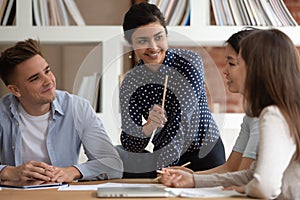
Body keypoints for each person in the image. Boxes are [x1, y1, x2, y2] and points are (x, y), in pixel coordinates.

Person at [159, 29, 300, 199]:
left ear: (257, 69)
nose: (226, 71)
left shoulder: (273, 115)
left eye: (235, 63)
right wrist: (194, 180)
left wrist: (245, 188)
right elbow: (251, 175)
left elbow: (263, 186)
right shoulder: (284, 110)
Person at [119, 2, 225, 178]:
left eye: (158, 37)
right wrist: (149, 126)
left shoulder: (189, 62)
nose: (153, 46)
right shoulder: (131, 83)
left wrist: (165, 168)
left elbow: (180, 119)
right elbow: (131, 143)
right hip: (163, 156)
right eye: (142, 41)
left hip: (205, 154)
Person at [0, 39, 123, 186]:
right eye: (35, 79)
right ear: (15, 90)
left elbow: (113, 165)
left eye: (47, 71)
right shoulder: (2, 112)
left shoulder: (78, 108)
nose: (48, 81)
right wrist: (9, 172)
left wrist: (71, 171)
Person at [162, 29, 259, 177]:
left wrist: (193, 179)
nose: (225, 71)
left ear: (254, 67)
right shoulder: (250, 116)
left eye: (231, 63)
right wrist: (192, 176)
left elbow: (242, 176)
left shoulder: (266, 116)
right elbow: (230, 169)